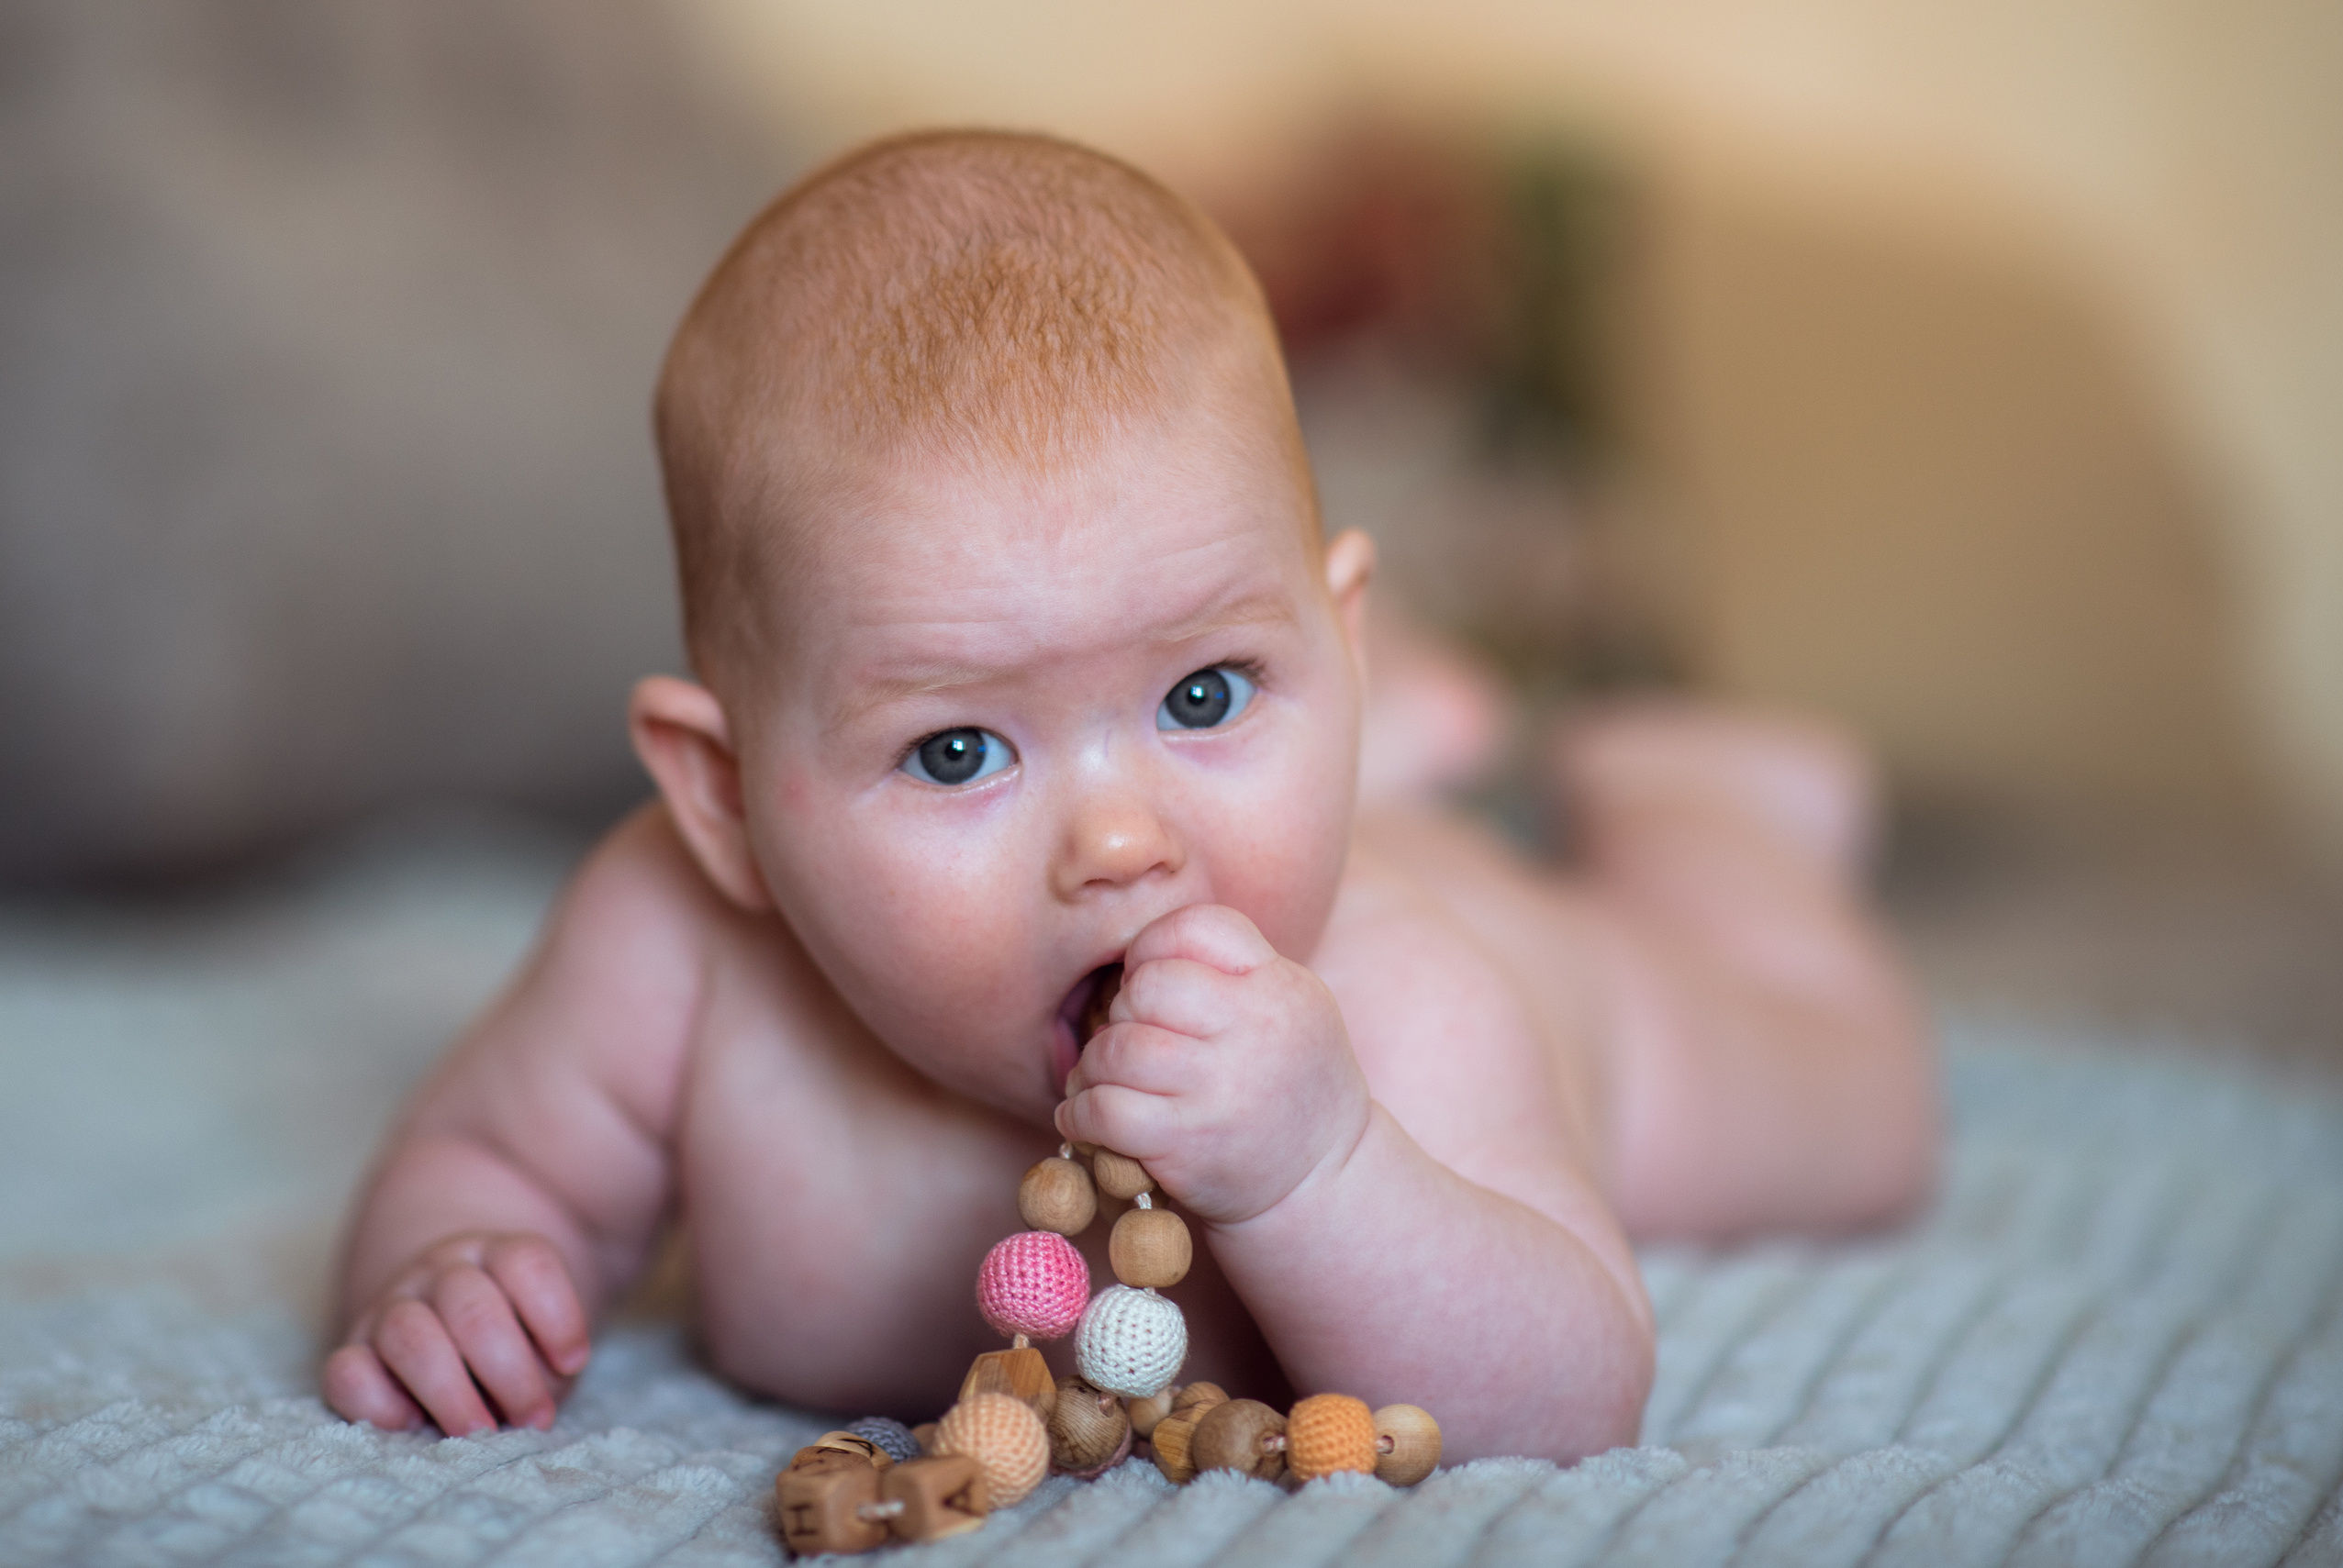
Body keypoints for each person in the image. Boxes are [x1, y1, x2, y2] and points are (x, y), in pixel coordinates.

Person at [322, 129, 1936, 1464]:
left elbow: (1571, 1401)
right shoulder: (666, 952)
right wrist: (445, 1271)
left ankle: (1709, 812)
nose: (1118, 842)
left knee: (1853, 1111)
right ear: (727, 801)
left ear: (1332, 647)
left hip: (1568, 997)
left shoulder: (1394, 1005)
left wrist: (1321, 1168)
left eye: (1204, 694)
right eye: (959, 750)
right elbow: (489, 1160)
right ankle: (1375, 723)